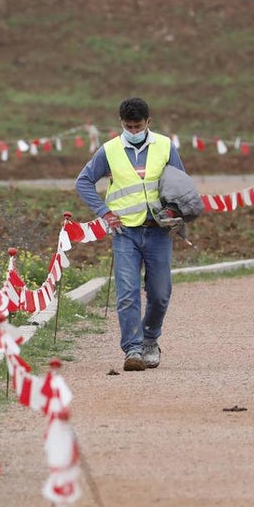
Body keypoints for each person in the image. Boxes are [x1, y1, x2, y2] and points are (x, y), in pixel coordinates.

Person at [74, 97, 186, 372]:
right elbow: (84, 181)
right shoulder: (109, 150)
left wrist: (173, 211)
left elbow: (180, 183)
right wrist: (104, 212)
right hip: (125, 233)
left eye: (138, 126)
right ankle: (132, 349)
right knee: (128, 293)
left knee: (160, 293)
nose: (134, 132)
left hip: (157, 232)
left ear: (149, 122)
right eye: (129, 127)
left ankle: (150, 340)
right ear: (121, 124)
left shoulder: (165, 147)